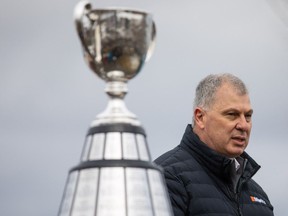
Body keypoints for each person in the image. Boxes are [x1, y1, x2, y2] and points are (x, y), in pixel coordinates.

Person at [154, 73, 274, 216]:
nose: (243, 125)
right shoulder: (166, 178)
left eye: (248, 116)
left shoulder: (257, 195)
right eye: (232, 114)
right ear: (200, 117)